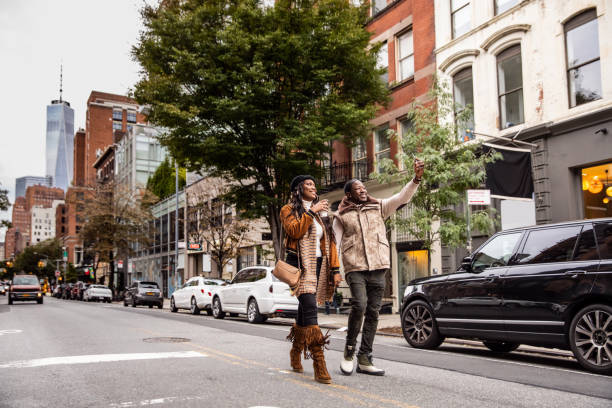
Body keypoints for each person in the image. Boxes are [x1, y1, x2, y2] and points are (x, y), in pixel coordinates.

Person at [334, 158, 425, 376]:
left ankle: (365, 358)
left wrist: (416, 178)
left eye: (364, 188)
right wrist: (336, 270)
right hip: (354, 266)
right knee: (359, 305)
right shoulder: (341, 216)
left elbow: (402, 197)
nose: (363, 191)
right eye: (358, 189)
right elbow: (336, 244)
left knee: (373, 312)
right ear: (349, 194)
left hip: (378, 266)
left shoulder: (378, 207)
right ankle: (348, 351)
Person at [280, 175, 342, 384]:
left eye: (314, 185)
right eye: (308, 184)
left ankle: (295, 351)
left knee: (304, 310)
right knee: (310, 308)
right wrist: (311, 211)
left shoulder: (321, 213)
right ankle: (319, 363)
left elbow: (330, 242)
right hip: (300, 266)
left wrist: (335, 269)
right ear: (298, 189)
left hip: (319, 266)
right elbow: (295, 231)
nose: (313, 187)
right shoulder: (287, 210)